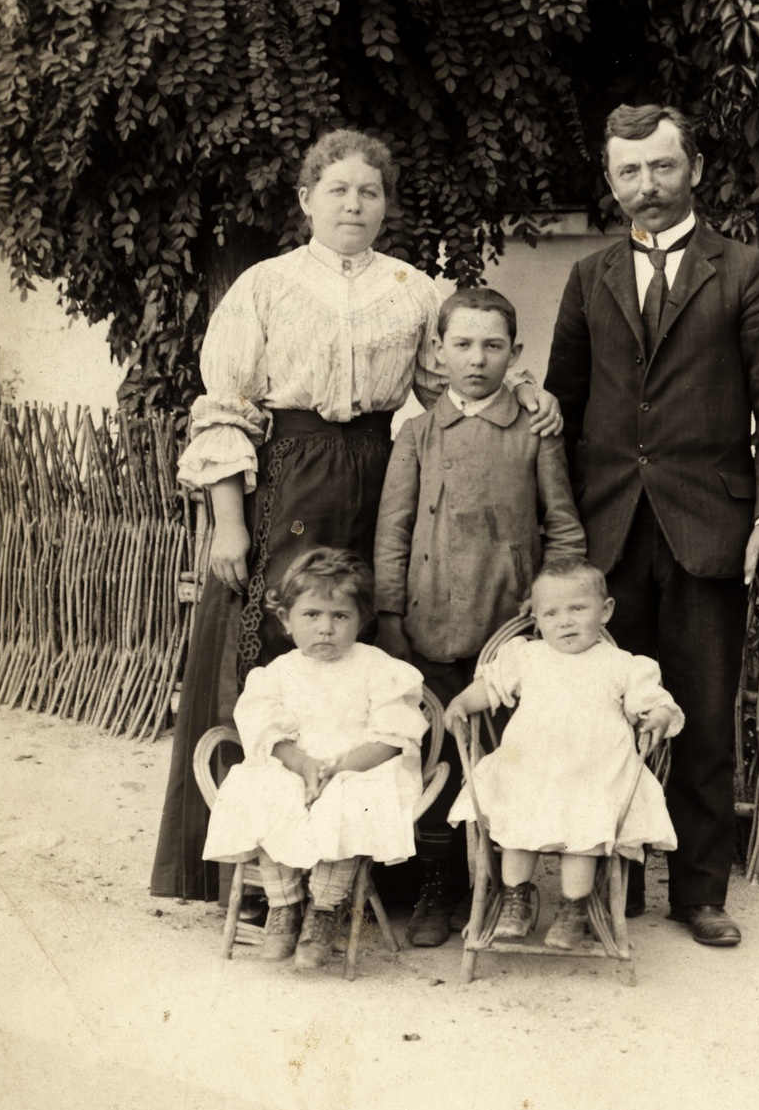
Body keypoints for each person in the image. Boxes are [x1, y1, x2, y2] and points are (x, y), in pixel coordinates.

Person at [151, 128, 560, 901]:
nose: (353, 204)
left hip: (379, 476)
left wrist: (528, 395)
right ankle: (264, 869)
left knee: (372, 652)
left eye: (369, 192)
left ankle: (365, 868)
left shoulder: (413, 289)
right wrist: (229, 522)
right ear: (307, 199)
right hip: (287, 481)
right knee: (274, 649)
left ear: (385, 205)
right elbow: (225, 408)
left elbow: (457, 386)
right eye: (337, 190)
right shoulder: (266, 285)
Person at [544, 103, 759, 947]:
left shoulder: (745, 270)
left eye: (661, 166)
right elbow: (563, 409)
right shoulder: (588, 276)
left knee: (702, 716)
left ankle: (700, 892)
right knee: (603, 717)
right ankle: (609, 888)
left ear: (693, 168)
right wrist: (562, 534)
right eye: (629, 171)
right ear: (610, 180)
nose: (647, 185)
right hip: (609, 531)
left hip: (708, 528)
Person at [373, 287, 586, 946]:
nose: (476, 359)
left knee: (503, 758)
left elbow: (564, 530)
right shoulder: (416, 434)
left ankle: (499, 886)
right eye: (462, 344)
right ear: (438, 351)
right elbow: (392, 533)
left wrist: (543, 606)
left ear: (514, 354)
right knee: (438, 758)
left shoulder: (535, 432)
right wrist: (389, 615)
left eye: (493, 346)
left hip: (508, 631)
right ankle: (438, 885)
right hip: (430, 622)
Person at [443, 558, 685, 950]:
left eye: (578, 608)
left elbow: (655, 702)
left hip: (595, 773)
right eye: (552, 613)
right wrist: (460, 704)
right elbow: (490, 687)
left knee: (585, 825)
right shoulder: (527, 656)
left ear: (605, 611)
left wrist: (656, 716)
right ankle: (515, 897)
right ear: (536, 620)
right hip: (532, 769)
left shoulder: (622, 664)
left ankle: (575, 905)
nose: (565, 622)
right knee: (516, 816)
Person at [202, 549, 426, 970]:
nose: (326, 627)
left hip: (359, 767)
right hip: (296, 765)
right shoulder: (278, 672)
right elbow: (267, 731)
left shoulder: (378, 668)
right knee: (263, 788)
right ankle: (284, 904)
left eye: (340, 616)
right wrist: (304, 766)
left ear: (361, 619)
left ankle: (324, 910)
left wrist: (338, 770)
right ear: (286, 620)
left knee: (348, 800)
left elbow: (392, 737)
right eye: (311, 615)